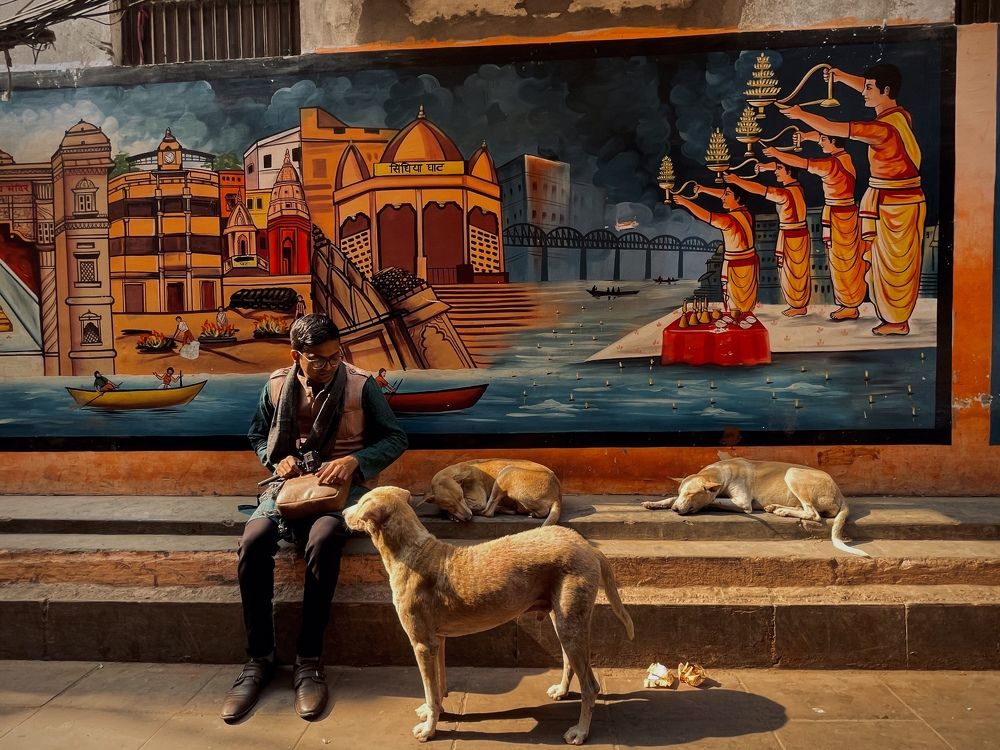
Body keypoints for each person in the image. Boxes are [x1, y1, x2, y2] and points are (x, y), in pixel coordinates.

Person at [223, 313, 408, 723]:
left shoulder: (361, 385)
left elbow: (396, 438)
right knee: (252, 543)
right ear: (296, 356)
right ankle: (259, 659)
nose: (328, 365)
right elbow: (257, 434)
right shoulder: (275, 385)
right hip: (287, 489)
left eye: (334, 356)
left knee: (325, 538)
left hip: (342, 490)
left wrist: (355, 461)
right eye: (317, 359)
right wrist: (277, 456)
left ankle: (309, 660)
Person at [781, 63, 925, 335]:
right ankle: (874, 312)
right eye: (865, 86)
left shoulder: (884, 128)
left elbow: (832, 127)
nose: (863, 92)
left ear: (885, 90)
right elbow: (862, 92)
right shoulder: (898, 115)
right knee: (880, 263)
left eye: (869, 88)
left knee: (894, 266)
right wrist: (840, 76)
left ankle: (897, 320)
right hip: (888, 200)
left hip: (898, 204)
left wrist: (800, 114)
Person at [762, 133, 866, 321]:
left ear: (834, 142)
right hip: (841, 213)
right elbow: (816, 142)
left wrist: (777, 153)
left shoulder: (832, 164)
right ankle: (848, 304)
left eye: (823, 140)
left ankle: (850, 306)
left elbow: (802, 163)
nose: (820, 143)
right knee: (842, 261)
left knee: (843, 263)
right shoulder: (844, 158)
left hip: (841, 216)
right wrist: (805, 137)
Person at [725, 164, 811, 316]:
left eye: (779, 169)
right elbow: (779, 168)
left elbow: (759, 189)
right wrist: (766, 167)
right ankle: (798, 305)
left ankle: (797, 306)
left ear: (789, 172)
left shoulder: (785, 194)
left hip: (792, 237)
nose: (775, 172)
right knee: (797, 271)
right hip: (799, 234)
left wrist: (737, 180)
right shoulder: (798, 188)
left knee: (791, 273)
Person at [672, 183, 759, 313]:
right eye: (724, 194)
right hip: (750, 263)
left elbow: (707, 216)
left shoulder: (729, 220)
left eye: (727, 194)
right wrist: (704, 189)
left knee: (734, 303)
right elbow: (724, 194)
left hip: (735, 267)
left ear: (738, 198)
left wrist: (686, 202)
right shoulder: (745, 214)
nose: (722, 197)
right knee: (745, 304)